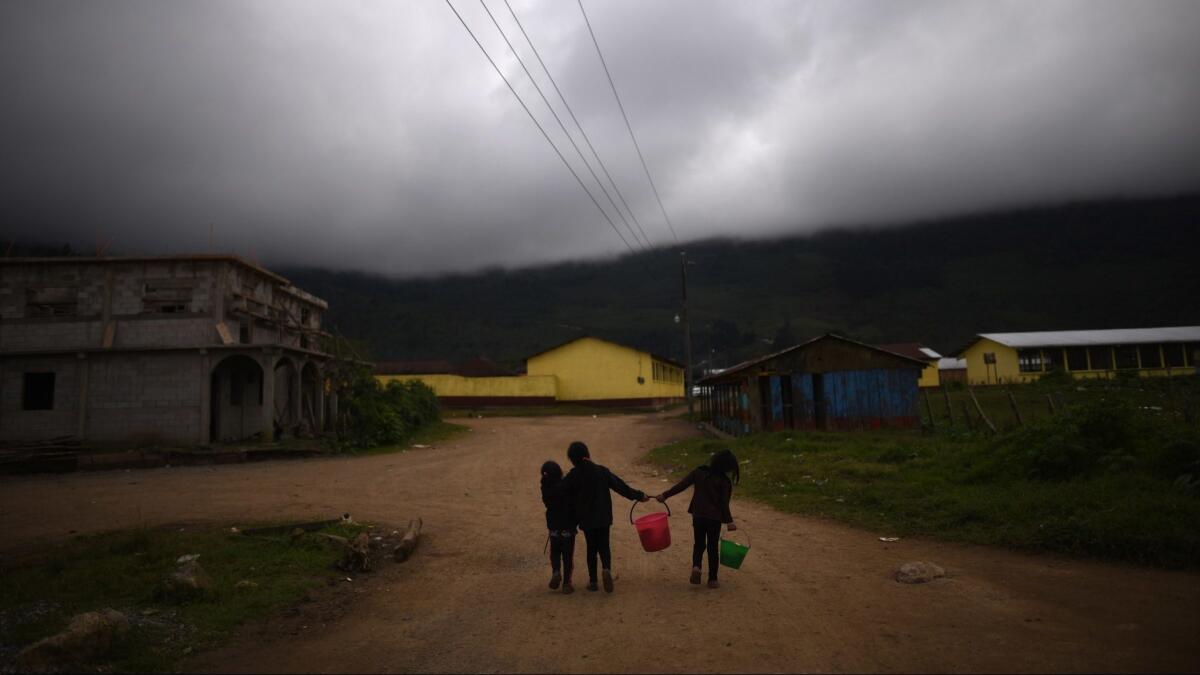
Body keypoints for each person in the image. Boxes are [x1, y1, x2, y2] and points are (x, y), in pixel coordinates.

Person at [550, 441, 648, 593]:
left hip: (586, 519)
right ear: (587, 454)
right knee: (604, 546)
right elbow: (621, 487)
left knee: (591, 548)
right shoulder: (601, 471)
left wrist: (548, 479)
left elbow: (559, 492)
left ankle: (593, 582)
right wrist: (639, 495)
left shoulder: (573, 475)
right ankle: (606, 569)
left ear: (572, 459)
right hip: (604, 517)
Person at [654, 448, 739, 589]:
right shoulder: (724, 481)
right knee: (712, 547)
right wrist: (729, 521)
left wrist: (665, 495)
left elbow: (681, 485)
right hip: (714, 519)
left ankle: (696, 567)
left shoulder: (699, 472)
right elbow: (724, 504)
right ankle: (712, 579)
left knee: (699, 544)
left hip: (698, 515)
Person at [540, 460, 576, 594]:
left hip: (553, 526)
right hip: (568, 527)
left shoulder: (544, 487)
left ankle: (556, 571)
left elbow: (546, 502)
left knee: (555, 552)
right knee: (567, 556)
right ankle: (567, 583)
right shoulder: (566, 485)